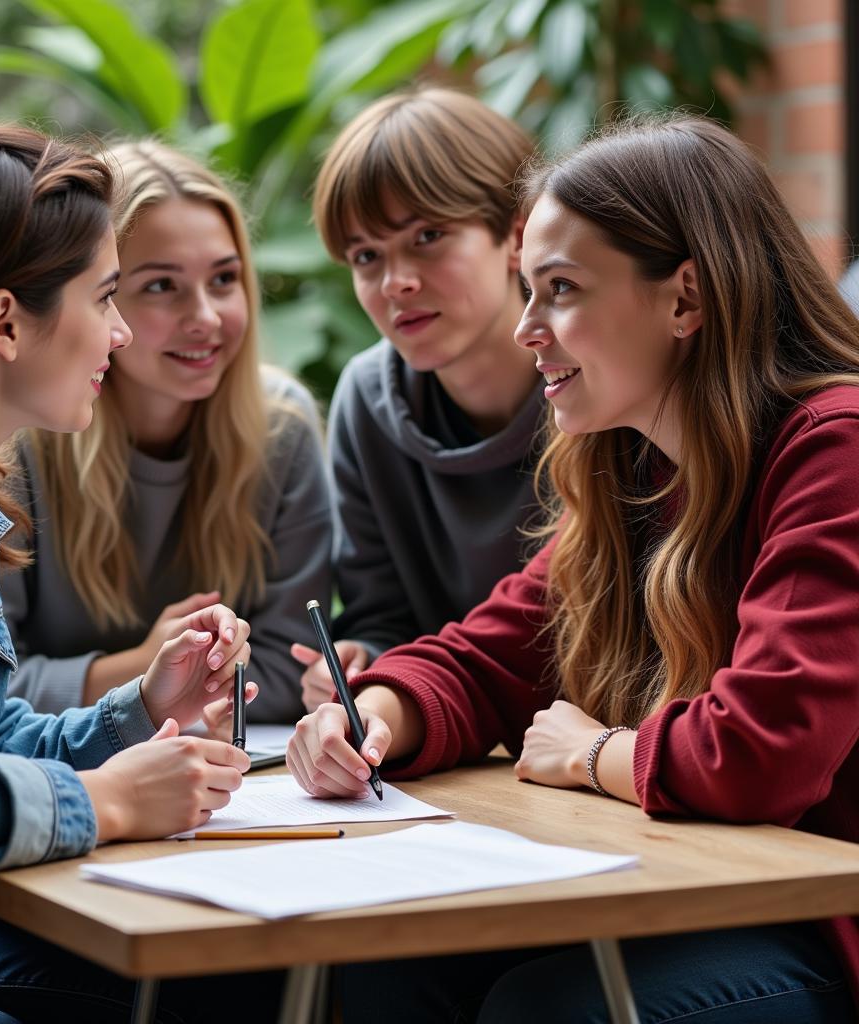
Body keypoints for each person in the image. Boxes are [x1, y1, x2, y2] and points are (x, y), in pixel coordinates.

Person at [287, 114, 859, 1022]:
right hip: (690, 893)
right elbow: (489, 656)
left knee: (546, 1011)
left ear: (684, 299)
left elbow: (762, 752)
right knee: (373, 974)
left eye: (559, 290)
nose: (526, 331)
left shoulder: (834, 449)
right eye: (527, 291)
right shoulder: (632, 466)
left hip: (823, 925)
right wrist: (374, 719)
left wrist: (597, 754)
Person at [0, 121, 281, 1024]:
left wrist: (143, 710)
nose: (119, 333)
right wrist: (105, 803)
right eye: (108, 295)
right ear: (5, 322)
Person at [1, 140, 330, 725]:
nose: (205, 317)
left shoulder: (283, 426)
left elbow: (289, 670)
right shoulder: (18, 437)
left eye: (224, 279)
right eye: (161, 286)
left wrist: (147, 680)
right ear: (98, 298)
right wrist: (146, 666)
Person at [292, 88, 545, 712]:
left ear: (516, 235)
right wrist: (361, 657)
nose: (395, 282)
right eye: (366, 256)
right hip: (445, 744)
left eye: (428, 235)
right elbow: (384, 616)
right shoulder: (367, 399)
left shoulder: (597, 383)